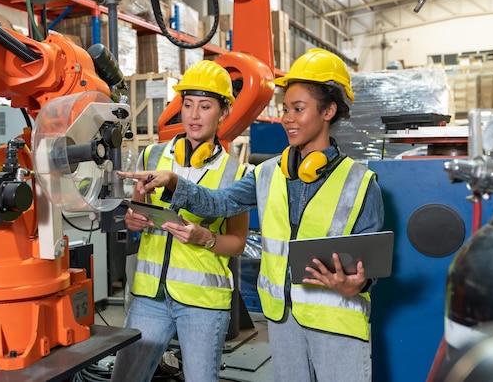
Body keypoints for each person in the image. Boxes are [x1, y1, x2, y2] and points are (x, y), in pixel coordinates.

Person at [119, 48, 385, 382]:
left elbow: (370, 261)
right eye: (285, 109)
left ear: (329, 110)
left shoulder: (360, 182)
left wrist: (358, 283)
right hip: (283, 320)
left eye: (298, 109)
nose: (288, 118)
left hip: (336, 323)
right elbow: (217, 203)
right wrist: (176, 182)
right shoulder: (268, 173)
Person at [110, 60, 250, 382]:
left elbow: (238, 242)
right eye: (187, 105)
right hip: (149, 296)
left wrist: (206, 238)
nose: (194, 115)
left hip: (203, 302)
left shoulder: (236, 174)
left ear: (223, 112)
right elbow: (138, 210)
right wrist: (133, 219)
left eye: (205, 106)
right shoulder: (151, 156)